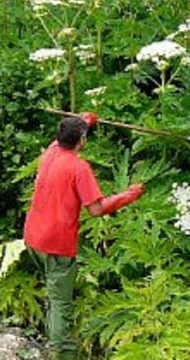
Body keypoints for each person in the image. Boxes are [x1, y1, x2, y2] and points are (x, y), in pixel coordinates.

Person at [23, 112, 145, 360]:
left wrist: (84, 122)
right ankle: (60, 353)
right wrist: (129, 195)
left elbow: (60, 141)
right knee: (60, 302)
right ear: (81, 142)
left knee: (54, 290)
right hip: (57, 244)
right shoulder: (79, 167)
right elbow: (96, 208)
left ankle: (56, 340)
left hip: (33, 238)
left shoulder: (50, 153)